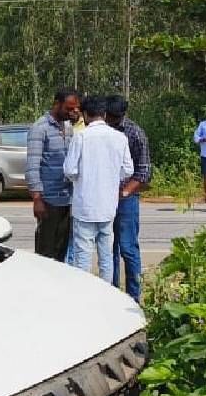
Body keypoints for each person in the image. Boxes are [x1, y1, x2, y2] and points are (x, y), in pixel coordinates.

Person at [63, 95, 133, 281]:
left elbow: (69, 170)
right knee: (107, 257)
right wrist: (110, 177)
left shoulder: (81, 137)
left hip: (85, 206)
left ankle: (84, 297)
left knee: (82, 258)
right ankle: (107, 296)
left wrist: (83, 178)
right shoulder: (120, 138)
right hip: (108, 206)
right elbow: (128, 169)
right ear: (104, 113)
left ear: (85, 114)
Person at [105, 95, 151, 302]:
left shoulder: (135, 133)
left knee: (128, 247)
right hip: (103, 197)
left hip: (126, 198)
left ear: (123, 114)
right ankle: (113, 294)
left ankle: (134, 296)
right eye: (110, 116)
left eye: (116, 117)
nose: (112, 120)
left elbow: (143, 173)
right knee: (108, 247)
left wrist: (123, 193)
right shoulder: (101, 131)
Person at [26, 88, 81, 262]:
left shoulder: (68, 127)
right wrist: (37, 199)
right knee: (45, 251)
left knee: (61, 250)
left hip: (68, 198)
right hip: (48, 200)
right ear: (57, 104)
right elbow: (32, 166)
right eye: (69, 108)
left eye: (75, 109)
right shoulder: (40, 128)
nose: (73, 112)